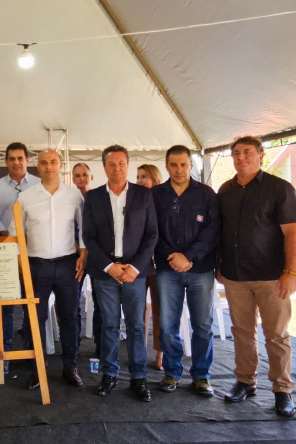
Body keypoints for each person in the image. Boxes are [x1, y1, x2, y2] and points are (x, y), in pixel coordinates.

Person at [218, 136, 296, 417]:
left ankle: (282, 390)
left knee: (276, 335)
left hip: (271, 276)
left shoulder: (279, 189)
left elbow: (292, 233)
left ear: (261, 156)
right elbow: (221, 231)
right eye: (237, 153)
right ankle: (245, 381)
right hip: (234, 274)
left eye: (248, 152)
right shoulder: (225, 191)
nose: (241, 157)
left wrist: (291, 272)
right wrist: (220, 264)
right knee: (242, 332)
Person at [82, 145, 157, 402]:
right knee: (110, 325)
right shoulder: (92, 198)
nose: (117, 168)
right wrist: (108, 266)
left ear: (128, 165)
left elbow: (151, 235)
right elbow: (88, 237)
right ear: (104, 167)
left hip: (135, 272)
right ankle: (109, 374)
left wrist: (134, 267)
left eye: (122, 163)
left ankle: (138, 377)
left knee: (137, 326)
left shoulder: (143, 196)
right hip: (106, 272)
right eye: (112, 164)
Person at [13, 149, 87, 389]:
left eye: (53, 162)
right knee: (35, 319)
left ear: (60, 164)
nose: (48, 167)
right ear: (37, 166)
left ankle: (70, 366)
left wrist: (83, 252)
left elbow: (84, 226)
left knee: (69, 317)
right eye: (43, 163)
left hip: (68, 264)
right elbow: (17, 233)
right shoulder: (26, 196)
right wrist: (20, 263)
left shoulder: (73, 194)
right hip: (36, 265)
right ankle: (38, 368)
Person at [152, 146, 220, 397]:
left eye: (183, 164)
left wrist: (189, 257)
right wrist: (173, 257)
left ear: (191, 165)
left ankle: (202, 375)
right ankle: (172, 372)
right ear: (166, 166)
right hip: (167, 269)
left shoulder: (206, 194)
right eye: (173, 165)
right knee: (168, 324)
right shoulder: (156, 195)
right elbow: (151, 231)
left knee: (202, 325)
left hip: (200, 268)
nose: (179, 170)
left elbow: (213, 230)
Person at [0, 142, 41, 368]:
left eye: (20, 158)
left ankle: (33, 354)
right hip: (6, 252)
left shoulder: (40, 185)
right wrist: (8, 235)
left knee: (31, 306)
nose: (16, 162)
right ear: (6, 161)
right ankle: (6, 356)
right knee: (6, 306)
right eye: (12, 158)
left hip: (34, 252)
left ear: (27, 160)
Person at [137, 164, 163, 370]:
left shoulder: (162, 201)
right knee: (137, 310)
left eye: (144, 176)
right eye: (137, 177)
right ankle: (139, 351)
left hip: (160, 263)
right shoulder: (134, 200)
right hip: (139, 263)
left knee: (160, 309)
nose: (140, 180)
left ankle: (160, 353)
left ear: (154, 179)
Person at [72, 162, 100, 357]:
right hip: (75, 256)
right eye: (77, 175)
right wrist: (79, 248)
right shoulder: (69, 199)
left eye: (85, 175)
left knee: (101, 303)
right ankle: (73, 346)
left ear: (91, 177)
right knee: (73, 302)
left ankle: (100, 344)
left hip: (98, 256)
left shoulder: (100, 198)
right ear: (73, 179)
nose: (81, 178)